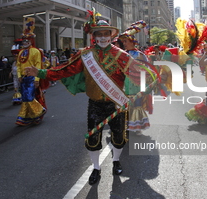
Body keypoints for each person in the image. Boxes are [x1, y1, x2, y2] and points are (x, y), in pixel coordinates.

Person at [25, 17, 144, 185]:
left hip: (116, 104)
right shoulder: (85, 55)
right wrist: (41, 72)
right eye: (99, 34)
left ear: (111, 35)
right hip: (95, 103)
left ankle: (116, 161)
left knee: (119, 136)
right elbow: (64, 70)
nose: (103, 37)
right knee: (93, 138)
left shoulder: (121, 55)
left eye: (106, 34)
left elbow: (136, 75)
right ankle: (96, 168)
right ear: (94, 36)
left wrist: (154, 78)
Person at [119, 20, 151, 135]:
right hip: (125, 85)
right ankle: (127, 124)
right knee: (126, 106)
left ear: (132, 42)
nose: (124, 43)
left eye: (126, 41)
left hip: (136, 85)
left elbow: (147, 71)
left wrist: (144, 87)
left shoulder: (140, 55)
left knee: (136, 105)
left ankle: (137, 127)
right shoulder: (122, 54)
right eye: (123, 41)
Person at [15, 20, 46, 126]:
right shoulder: (20, 53)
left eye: (27, 40)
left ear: (31, 40)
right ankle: (26, 117)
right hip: (23, 78)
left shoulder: (36, 51)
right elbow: (18, 65)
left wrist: (37, 79)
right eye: (23, 40)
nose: (24, 42)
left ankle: (38, 111)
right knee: (25, 98)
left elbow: (38, 65)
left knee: (28, 97)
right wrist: (19, 76)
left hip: (32, 78)